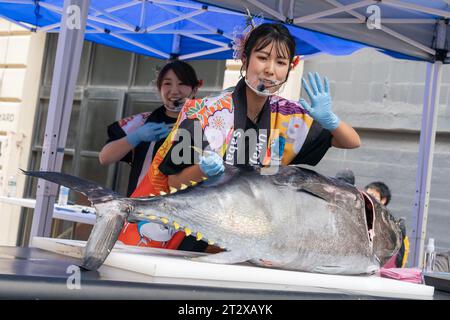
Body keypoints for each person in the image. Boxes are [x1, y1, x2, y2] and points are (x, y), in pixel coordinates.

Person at [132, 23, 360, 251]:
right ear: (245, 59)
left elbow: (350, 142)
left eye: (280, 63)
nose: (270, 70)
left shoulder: (289, 116)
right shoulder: (206, 112)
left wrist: (331, 120)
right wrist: (202, 170)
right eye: (262, 57)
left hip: (253, 238)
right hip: (196, 232)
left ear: (290, 69)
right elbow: (173, 180)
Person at [99, 60, 202, 250]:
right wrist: (135, 137)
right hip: (142, 215)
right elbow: (105, 157)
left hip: (189, 218)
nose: (175, 90)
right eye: (167, 83)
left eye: (182, 84)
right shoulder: (142, 121)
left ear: (195, 88)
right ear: (158, 88)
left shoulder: (207, 123)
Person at [364, 181, 409, 268]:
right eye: (366, 195)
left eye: (372, 196)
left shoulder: (390, 223)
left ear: (383, 200)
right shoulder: (363, 216)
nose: (368, 199)